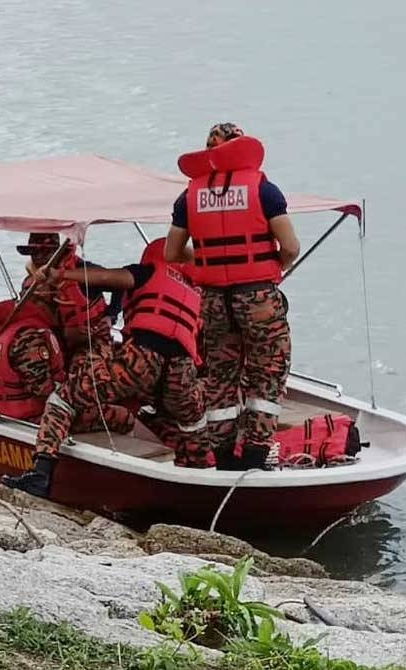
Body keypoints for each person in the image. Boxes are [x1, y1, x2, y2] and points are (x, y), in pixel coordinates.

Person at [1, 238, 208, 498]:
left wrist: (62, 275)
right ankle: (204, 474)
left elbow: (107, 276)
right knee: (190, 421)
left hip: (143, 360)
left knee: (63, 398)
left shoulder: (147, 271)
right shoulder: (192, 289)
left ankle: (41, 475)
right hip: (182, 369)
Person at [164, 123, 300, 470]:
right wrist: (270, 268)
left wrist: (211, 260)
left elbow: (172, 253)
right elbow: (291, 247)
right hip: (257, 297)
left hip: (213, 299)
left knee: (220, 374)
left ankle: (223, 455)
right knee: (267, 368)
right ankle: (255, 452)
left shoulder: (189, 196)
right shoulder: (264, 191)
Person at [16, 233, 134, 435]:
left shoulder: (83, 273)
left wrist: (110, 317)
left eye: (44, 252)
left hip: (92, 341)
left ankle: (87, 415)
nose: (38, 257)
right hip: (58, 343)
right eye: (33, 252)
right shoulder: (31, 284)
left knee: (84, 381)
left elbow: (120, 285)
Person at [0, 298, 66, 421]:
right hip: (33, 417)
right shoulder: (28, 338)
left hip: (3, 410)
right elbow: (41, 388)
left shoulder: (4, 325)